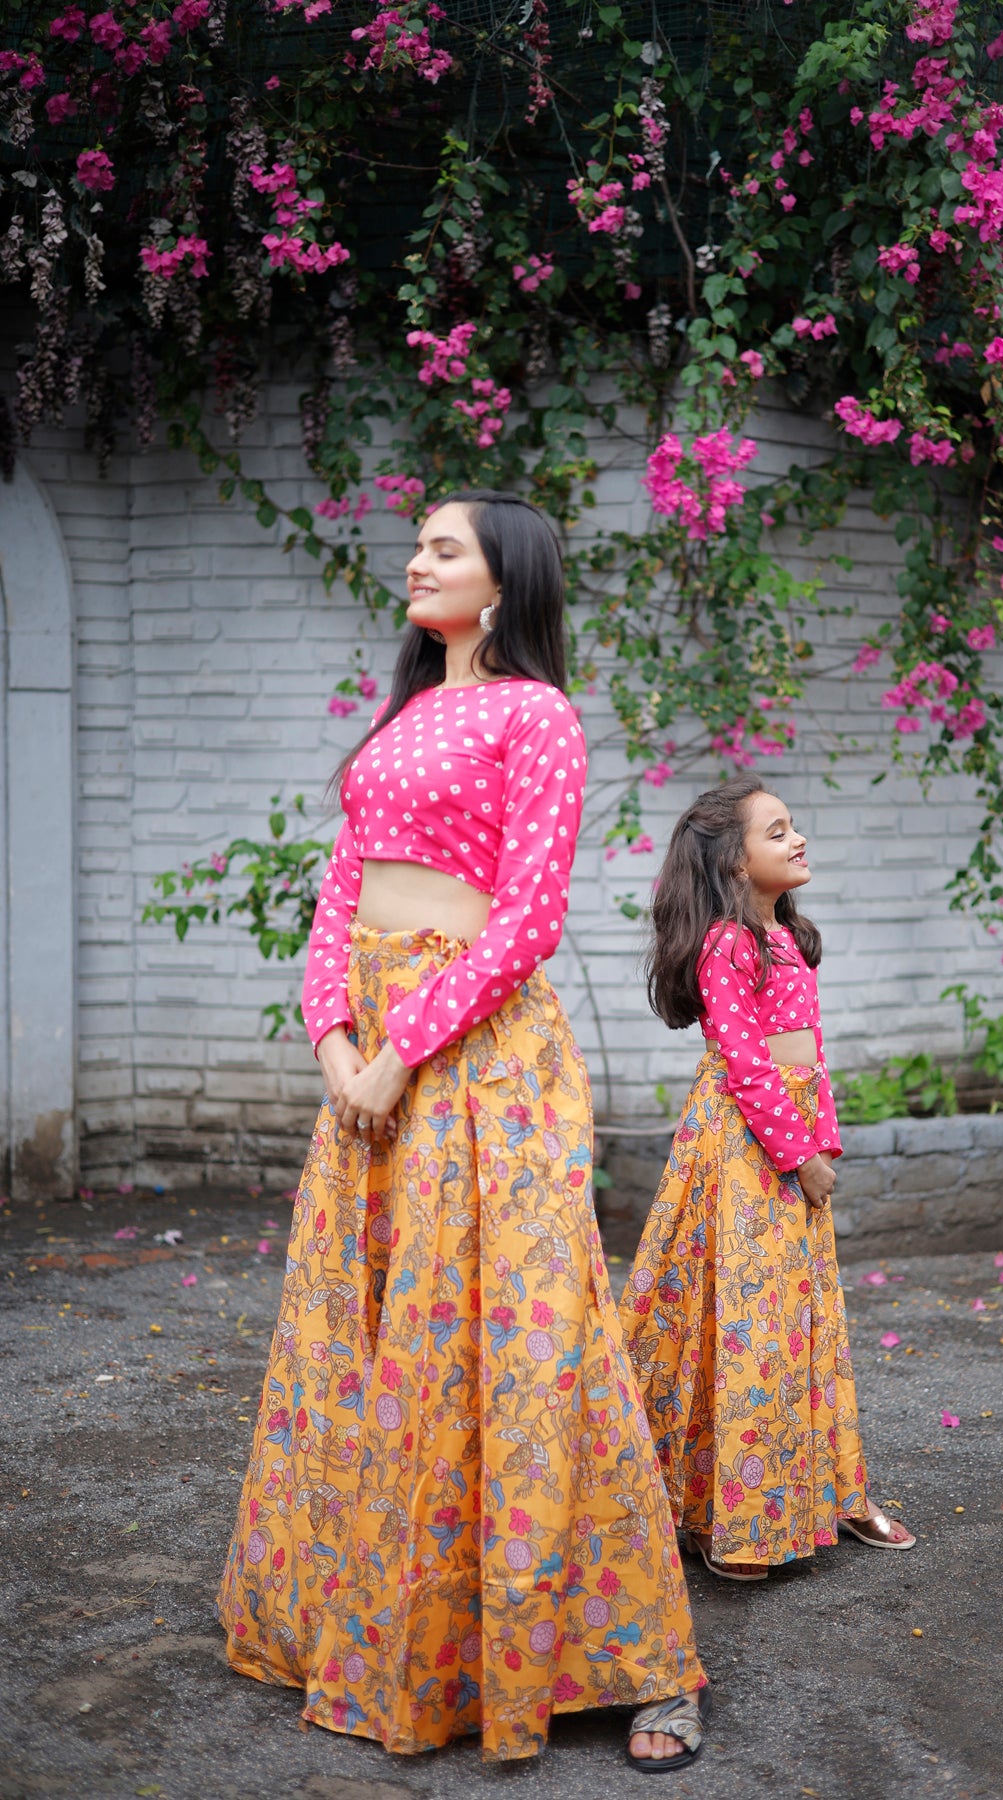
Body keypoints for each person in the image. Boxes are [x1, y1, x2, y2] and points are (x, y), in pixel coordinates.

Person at [216, 490, 711, 1770]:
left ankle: (638, 1658)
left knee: (526, 1345)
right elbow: (340, 892)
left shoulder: (535, 715)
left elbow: (528, 919)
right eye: (419, 543)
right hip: (372, 1062)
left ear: (504, 582)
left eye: (442, 547)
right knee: (377, 1340)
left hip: (481, 1061)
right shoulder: (408, 719)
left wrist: (399, 1049)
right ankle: (381, 1632)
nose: (415, 561)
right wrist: (334, 1037)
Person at [617, 775, 915, 1580]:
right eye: (777, 832)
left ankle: (829, 1490)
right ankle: (728, 1516)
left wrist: (825, 1139)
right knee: (743, 1326)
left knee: (802, 1322)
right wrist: (800, 1157)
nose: (798, 840)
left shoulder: (786, 935)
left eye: (794, 827)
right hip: (746, 1157)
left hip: (790, 1144)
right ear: (736, 864)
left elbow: (806, 1061)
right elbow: (748, 1068)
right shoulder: (725, 943)